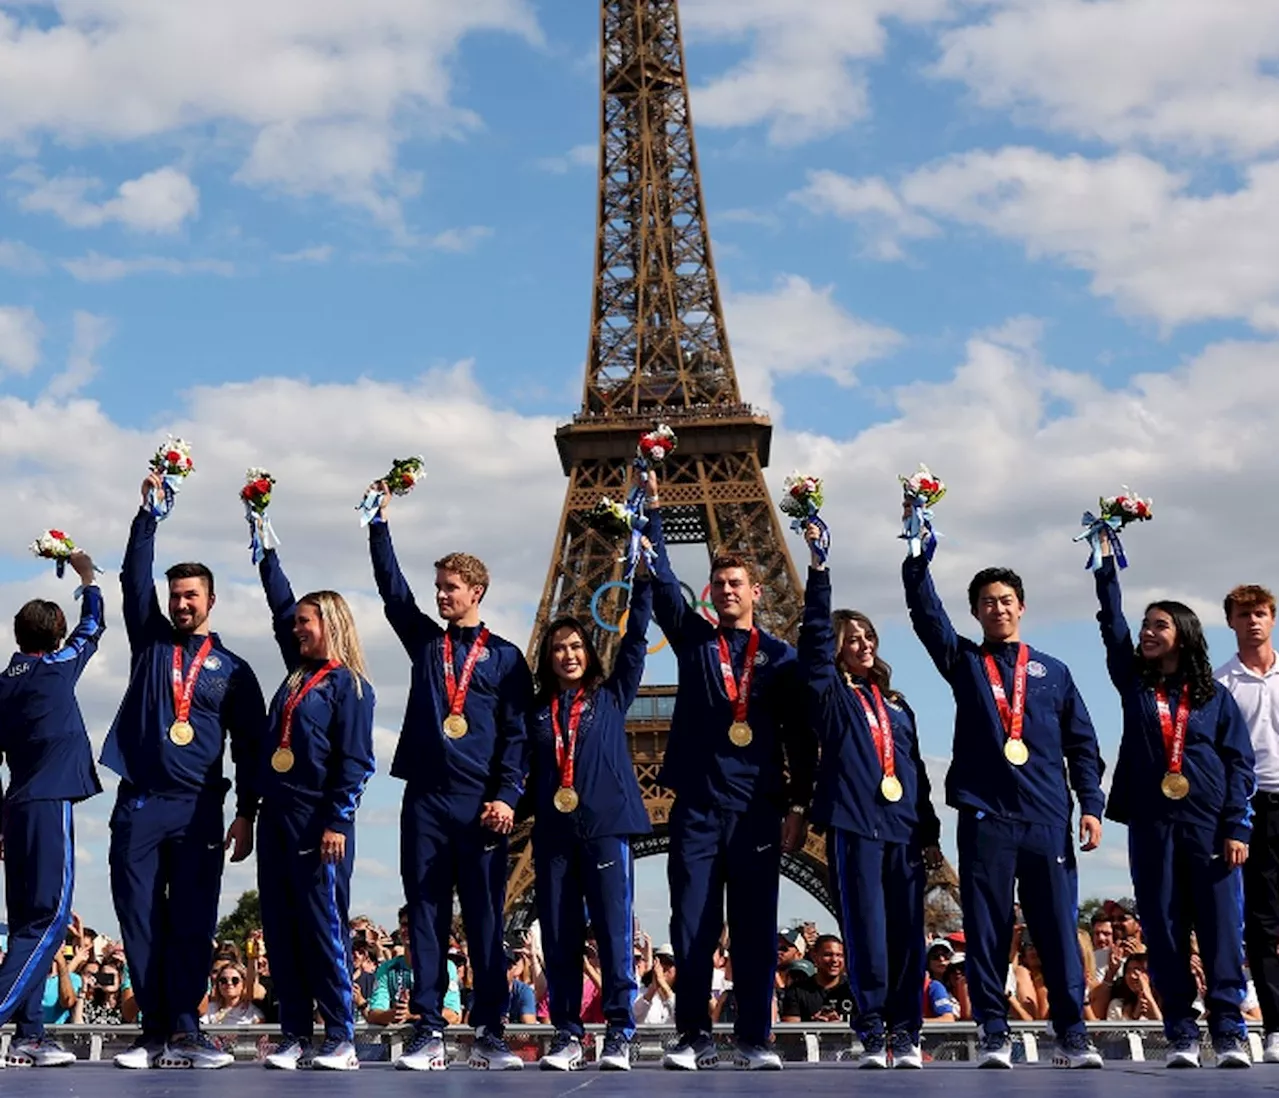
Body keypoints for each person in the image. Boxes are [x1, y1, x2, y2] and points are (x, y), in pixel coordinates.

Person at [902, 524, 1105, 1069]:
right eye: (987, 603)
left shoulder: (1054, 673)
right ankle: (994, 1032)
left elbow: (1083, 744)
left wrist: (1091, 805)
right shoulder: (966, 664)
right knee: (987, 931)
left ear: (1022, 607)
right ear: (976, 614)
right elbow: (927, 619)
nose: (998, 609)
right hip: (987, 815)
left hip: (1046, 816)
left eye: (1006, 600)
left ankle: (1072, 1034)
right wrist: (917, 556)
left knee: (1059, 931)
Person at [646, 469, 817, 1071]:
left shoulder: (783, 658)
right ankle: (693, 1036)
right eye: (718, 582)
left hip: (757, 809)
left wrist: (799, 806)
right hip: (696, 805)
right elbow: (662, 582)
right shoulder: (694, 639)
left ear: (757, 592)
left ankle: (755, 1038)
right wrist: (653, 508)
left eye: (736, 582)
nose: (726, 590)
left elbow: (800, 739)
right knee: (691, 924)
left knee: (753, 926)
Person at [102, 471, 267, 1069]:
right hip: (141, 802)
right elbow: (129, 577)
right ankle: (151, 1033)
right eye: (174, 595)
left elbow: (251, 748)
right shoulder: (148, 641)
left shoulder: (234, 669)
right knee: (140, 919)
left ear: (211, 600)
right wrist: (148, 515)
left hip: (201, 806)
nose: (180, 603)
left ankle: (187, 1027)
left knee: (194, 921)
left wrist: (247, 814)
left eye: (191, 595)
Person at [367, 483, 531, 1072]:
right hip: (427, 799)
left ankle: (490, 1031)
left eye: (450, 587)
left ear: (476, 592)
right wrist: (378, 527)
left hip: (481, 805)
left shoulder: (507, 657)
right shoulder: (426, 645)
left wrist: (508, 794)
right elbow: (393, 596)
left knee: (487, 923)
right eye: (438, 587)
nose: (440, 595)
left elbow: (518, 734)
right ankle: (429, 1030)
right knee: (427, 914)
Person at [1093, 541, 1254, 1068]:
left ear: (1182, 635)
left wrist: (1237, 828)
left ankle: (1229, 1031)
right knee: (1162, 930)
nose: (1147, 631)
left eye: (1158, 624)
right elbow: (1112, 626)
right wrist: (1106, 567)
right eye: (1145, 624)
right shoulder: (1136, 687)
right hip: (1152, 826)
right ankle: (1182, 1032)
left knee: (1222, 932)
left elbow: (1240, 766)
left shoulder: (1214, 698)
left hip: (1209, 830)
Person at [798, 523, 942, 1067]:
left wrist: (928, 832)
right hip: (855, 825)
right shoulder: (831, 697)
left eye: (868, 637)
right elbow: (811, 648)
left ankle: (907, 1032)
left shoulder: (897, 703)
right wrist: (818, 574)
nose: (863, 644)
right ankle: (873, 1029)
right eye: (851, 638)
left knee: (909, 935)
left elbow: (916, 772)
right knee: (866, 932)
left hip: (903, 832)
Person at [252, 540, 376, 1071]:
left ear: (331, 624)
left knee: (322, 927)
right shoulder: (298, 676)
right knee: (280, 928)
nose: (297, 629)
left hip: (318, 822)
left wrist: (338, 819)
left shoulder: (349, 686)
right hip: (275, 816)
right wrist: (265, 549)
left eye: (307, 622)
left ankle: (342, 1036)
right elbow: (280, 607)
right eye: (297, 622)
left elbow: (356, 761)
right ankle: (296, 1034)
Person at [528, 564, 653, 1072]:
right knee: (558, 936)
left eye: (576, 646)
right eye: (559, 647)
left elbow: (636, 642)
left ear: (588, 653)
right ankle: (567, 1034)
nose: (568, 654)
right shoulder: (534, 712)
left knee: (614, 932)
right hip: (555, 833)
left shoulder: (611, 696)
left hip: (605, 828)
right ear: (548, 656)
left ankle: (620, 1031)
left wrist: (643, 580)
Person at [0, 550, 103, 1067]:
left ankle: (31, 1035)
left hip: (15, 808)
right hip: (48, 803)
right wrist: (86, 576)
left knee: (24, 923)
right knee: (49, 922)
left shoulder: (2, 683)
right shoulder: (57, 668)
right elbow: (94, 627)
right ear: (54, 635)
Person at [1217, 583, 1280, 1063]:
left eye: (1260, 613)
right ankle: (1276, 1026)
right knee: (1262, 919)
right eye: (1244, 615)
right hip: (1252, 804)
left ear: (1273, 618)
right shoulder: (1222, 684)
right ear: (1231, 622)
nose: (1253, 621)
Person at [365, 907, 463, 1029]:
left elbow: (453, 1015)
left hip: (434, 1041)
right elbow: (374, 1014)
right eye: (405, 924)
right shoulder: (387, 969)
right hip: (395, 1044)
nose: (409, 930)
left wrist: (413, 1014)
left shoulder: (445, 967)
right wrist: (394, 1014)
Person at [779, 935, 854, 1024]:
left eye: (839, 955)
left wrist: (840, 1025)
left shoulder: (854, 990)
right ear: (814, 956)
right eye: (828, 955)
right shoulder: (797, 991)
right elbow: (789, 1033)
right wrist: (815, 1025)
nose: (834, 960)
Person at [203, 962, 264, 1026]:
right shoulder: (209, 1009)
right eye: (223, 980)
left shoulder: (253, 1013)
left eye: (235, 980)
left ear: (243, 983)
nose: (229, 983)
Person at [635, 945, 677, 1026]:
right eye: (660, 962)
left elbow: (681, 1015)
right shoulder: (641, 991)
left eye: (669, 963)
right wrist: (652, 990)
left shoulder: (684, 995)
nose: (663, 967)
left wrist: (664, 986)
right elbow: (634, 1015)